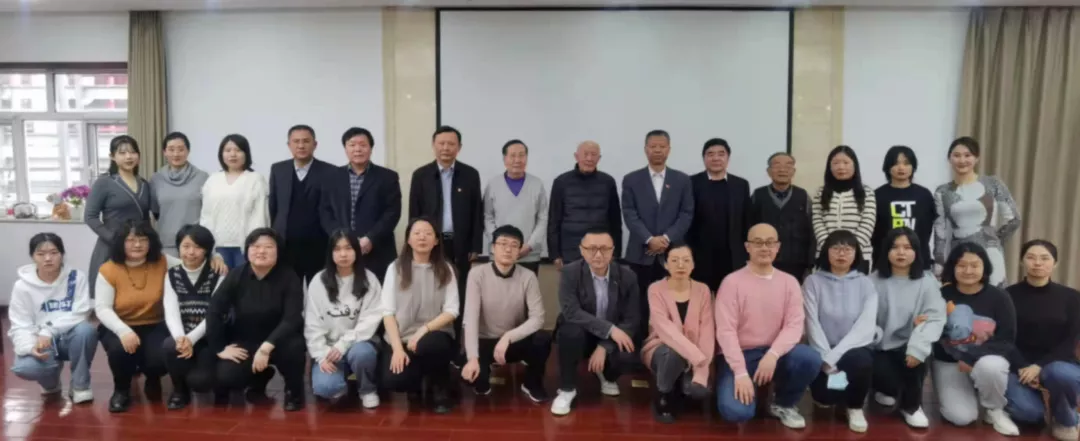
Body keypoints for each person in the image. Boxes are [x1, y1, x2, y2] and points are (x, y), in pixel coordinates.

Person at [714, 223, 820, 429]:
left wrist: (772, 355)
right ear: (747, 247)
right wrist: (740, 372)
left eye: (770, 243)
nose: (764, 248)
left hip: (776, 354)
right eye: (758, 243)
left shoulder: (789, 282)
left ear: (778, 247)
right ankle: (747, 388)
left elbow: (794, 326)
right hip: (741, 355)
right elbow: (726, 332)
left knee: (809, 358)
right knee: (736, 412)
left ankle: (783, 404)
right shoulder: (731, 282)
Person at [207, 228, 306, 411]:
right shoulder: (236, 274)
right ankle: (259, 377)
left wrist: (267, 346)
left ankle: (293, 392)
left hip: (280, 340)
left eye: (268, 247)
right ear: (247, 250)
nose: (261, 251)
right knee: (227, 376)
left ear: (278, 251)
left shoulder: (289, 277)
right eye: (255, 246)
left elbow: (292, 317)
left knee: (295, 348)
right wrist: (219, 348)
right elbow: (214, 310)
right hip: (246, 339)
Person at [931, 242, 1021, 436]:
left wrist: (971, 357)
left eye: (974, 265)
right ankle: (967, 394)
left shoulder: (999, 297)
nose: (968, 271)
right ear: (952, 267)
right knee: (962, 418)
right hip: (950, 362)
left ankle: (994, 409)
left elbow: (1006, 340)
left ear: (984, 267)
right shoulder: (940, 295)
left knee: (991, 367)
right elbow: (935, 336)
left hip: (985, 359)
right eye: (962, 265)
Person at [551, 228, 640, 416]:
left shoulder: (627, 276)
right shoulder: (570, 272)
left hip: (610, 337)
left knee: (628, 350)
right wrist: (610, 330)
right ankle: (567, 389)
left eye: (604, 249)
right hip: (581, 332)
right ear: (582, 250)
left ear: (613, 250)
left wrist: (604, 346)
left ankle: (608, 375)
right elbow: (571, 311)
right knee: (569, 332)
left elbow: (631, 318)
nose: (598, 255)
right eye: (592, 249)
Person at [408, 126, 482, 343]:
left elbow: (477, 213)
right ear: (433, 146)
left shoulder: (470, 174)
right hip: (431, 245)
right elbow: (414, 214)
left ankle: (456, 343)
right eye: (441, 143)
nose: (446, 148)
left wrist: (476, 246)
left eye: (451, 144)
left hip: (461, 245)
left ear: (459, 147)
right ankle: (429, 338)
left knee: (459, 293)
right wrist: (416, 243)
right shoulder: (421, 175)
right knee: (431, 291)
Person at [460, 225, 550, 401]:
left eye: (514, 245)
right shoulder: (477, 274)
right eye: (502, 243)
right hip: (485, 341)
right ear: (493, 248)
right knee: (475, 382)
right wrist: (472, 358)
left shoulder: (528, 276)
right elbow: (470, 318)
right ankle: (483, 367)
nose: (508, 249)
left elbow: (538, 318)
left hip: (513, 341)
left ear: (519, 251)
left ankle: (532, 383)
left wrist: (508, 337)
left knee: (543, 339)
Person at [379, 217, 460, 414]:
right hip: (402, 338)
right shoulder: (395, 268)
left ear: (436, 240)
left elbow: (452, 310)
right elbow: (387, 312)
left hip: (434, 335)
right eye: (416, 233)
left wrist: (424, 330)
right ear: (408, 239)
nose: (422, 237)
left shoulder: (446, 269)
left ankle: (439, 383)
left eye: (428, 233)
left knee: (431, 345)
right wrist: (397, 349)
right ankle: (416, 382)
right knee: (394, 380)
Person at [1002, 240, 1080, 440]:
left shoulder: (1072, 297)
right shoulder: (1007, 296)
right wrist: (1023, 366)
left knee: (1060, 374)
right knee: (1029, 414)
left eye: (1045, 258)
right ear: (1022, 261)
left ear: (1055, 263)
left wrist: (1039, 366)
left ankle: (1065, 419)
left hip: (1058, 363)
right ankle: (1029, 406)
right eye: (1031, 257)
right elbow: (1004, 338)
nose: (1037, 263)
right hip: (1019, 366)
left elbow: (1071, 340)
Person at [802, 230, 878, 433]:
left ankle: (855, 407)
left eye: (847, 249)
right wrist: (826, 360)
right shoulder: (813, 282)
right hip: (822, 352)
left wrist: (833, 358)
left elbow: (864, 328)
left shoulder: (865, 283)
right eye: (835, 248)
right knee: (825, 399)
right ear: (826, 252)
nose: (841, 253)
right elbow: (811, 324)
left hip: (850, 352)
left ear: (856, 254)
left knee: (861, 361)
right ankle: (838, 390)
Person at [870, 227, 946, 428]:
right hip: (880, 347)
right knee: (877, 371)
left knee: (919, 354)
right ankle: (888, 390)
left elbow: (935, 318)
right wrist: (876, 336)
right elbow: (865, 321)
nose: (901, 252)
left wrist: (916, 345)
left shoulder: (927, 282)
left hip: (910, 346)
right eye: (895, 247)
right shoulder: (873, 281)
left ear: (916, 251)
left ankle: (911, 407)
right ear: (886, 251)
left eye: (907, 247)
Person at [93, 221, 173, 413]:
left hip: (154, 323)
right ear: (120, 243)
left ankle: (153, 377)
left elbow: (192, 261)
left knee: (159, 358)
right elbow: (102, 308)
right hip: (119, 324)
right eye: (130, 240)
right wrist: (123, 331)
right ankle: (121, 390)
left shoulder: (163, 261)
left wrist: (215, 257)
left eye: (143, 239)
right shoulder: (108, 269)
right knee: (120, 351)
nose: (137, 245)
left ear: (151, 242)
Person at [8, 233, 96, 404]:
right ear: (32, 256)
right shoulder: (22, 287)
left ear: (62, 254)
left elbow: (81, 312)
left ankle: (80, 386)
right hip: (40, 341)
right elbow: (20, 324)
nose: (48, 258)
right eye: (41, 254)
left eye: (54, 253)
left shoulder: (76, 277)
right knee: (25, 367)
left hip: (70, 337)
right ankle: (50, 382)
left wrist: (49, 330)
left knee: (86, 331)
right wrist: (29, 347)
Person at [622, 130, 694, 338]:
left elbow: (686, 213)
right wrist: (649, 239)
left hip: (673, 253)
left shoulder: (682, 180)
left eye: (662, 146)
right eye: (653, 146)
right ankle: (639, 345)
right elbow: (629, 213)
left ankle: (670, 343)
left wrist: (666, 239)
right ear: (646, 149)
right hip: (640, 252)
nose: (657, 150)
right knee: (639, 303)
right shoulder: (631, 179)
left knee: (672, 302)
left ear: (669, 150)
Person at [305, 230, 384, 409]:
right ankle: (341, 379)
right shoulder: (319, 281)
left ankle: (367, 389)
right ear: (330, 253)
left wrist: (343, 344)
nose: (343, 254)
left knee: (363, 354)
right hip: (329, 349)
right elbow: (312, 323)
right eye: (337, 249)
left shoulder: (369, 279)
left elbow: (370, 320)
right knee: (326, 387)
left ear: (356, 251)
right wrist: (321, 355)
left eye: (348, 248)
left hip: (359, 343)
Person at [640, 243, 714, 424]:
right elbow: (665, 329)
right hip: (661, 348)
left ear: (693, 264)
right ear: (665, 264)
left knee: (696, 393)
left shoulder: (703, 290)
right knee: (673, 354)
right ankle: (663, 393)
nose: (681, 265)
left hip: (697, 355)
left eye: (686, 260)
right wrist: (695, 357)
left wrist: (701, 371)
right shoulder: (655, 289)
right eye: (674, 260)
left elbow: (707, 331)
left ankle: (682, 380)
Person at [933, 137, 1021, 287]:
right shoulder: (943, 191)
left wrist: (995, 240)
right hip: (959, 254)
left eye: (967, 155)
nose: (962, 160)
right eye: (956, 155)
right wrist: (939, 264)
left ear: (976, 158)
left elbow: (1014, 219)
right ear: (949, 159)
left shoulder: (993, 184)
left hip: (990, 252)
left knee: (994, 295)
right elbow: (939, 231)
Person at [320, 127, 402, 283]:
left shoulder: (388, 177)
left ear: (371, 148)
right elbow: (325, 211)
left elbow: (392, 212)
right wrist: (340, 238)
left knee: (379, 292)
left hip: (377, 249)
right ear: (345, 148)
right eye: (352, 145)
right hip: (341, 250)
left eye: (363, 145)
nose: (357, 149)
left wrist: (370, 238)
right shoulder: (331, 177)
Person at [161, 224, 224, 410]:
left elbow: (214, 313)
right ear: (178, 248)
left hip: (209, 336)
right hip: (184, 334)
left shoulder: (217, 274)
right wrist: (181, 338)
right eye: (186, 246)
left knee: (201, 382)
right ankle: (179, 390)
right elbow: (171, 310)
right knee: (169, 346)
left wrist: (191, 339)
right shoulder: (172, 274)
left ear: (207, 250)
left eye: (197, 247)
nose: (191, 252)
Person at [86, 135, 156, 297]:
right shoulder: (104, 182)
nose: (128, 157)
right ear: (112, 157)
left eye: (132, 152)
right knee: (109, 296)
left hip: (138, 248)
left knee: (137, 295)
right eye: (122, 153)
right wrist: (114, 239)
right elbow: (90, 217)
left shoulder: (144, 184)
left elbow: (146, 219)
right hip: (111, 246)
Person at [270, 125, 337, 284]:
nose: (301, 145)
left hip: (320, 244)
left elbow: (334, 208)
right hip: (287, 244)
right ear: (289, 145)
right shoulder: (278, 169)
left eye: (306, 141)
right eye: (296, 141)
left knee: (321, 287)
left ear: (315, 144)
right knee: (289, 289)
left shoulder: (331, 171)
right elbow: (273, 206)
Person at [688, 138, 751, 293]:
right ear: (704, 158)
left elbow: (747, 220)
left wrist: (748, 253)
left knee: (731, 297)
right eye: (710, 154)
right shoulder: (691, 183)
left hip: (732, 255)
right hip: (700, 255)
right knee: (702, 298)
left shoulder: (741, 184)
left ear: (728, 158)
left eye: (721, 154)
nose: (716, 158)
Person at [547, 140, 622, 268]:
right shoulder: (561, 182)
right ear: (576, 156)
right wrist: (555, 254)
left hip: (601, 249)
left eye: (593, 155)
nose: (589, 158)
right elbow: (554, 220)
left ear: (599, 158)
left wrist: (616, 252)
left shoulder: (608, 182)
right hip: (570, 250)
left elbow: (615, 220)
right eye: (585, 154)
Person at [200, 134, 270, 269]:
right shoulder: (213, 180)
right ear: (221, 154)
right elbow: (206, 215)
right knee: (221, 281)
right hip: (217, 246)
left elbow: (260, 216)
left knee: (245, 280)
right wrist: (208, 247)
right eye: (227, 150)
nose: (232, 154)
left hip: (245, 246)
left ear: (246, 153)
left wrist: (255, 245)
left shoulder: (255, 179)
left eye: (238, 150)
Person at [482, 140, 548, 274]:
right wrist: (499, 244)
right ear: (504, 159)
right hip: (499, 255)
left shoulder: (537, 184)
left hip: (529, 255)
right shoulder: (493, 184)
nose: (517, 160)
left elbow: (543, 218)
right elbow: (487, 217)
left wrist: (529, 246)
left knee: (527, 287)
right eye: (512, 156)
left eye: (522, 155)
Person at [750, 152, 814, 283]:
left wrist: (810, 263)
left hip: (797, 264)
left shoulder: (803, 196)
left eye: (788, 166)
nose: (782, 170)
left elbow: (812, 232)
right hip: (764, 261)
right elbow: (748, 228)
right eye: (777, 165)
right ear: (769, 171)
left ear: (793, 171)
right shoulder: (758, 195)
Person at [812, 145, 876, 271]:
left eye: (846, 163)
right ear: (829, 167)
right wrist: (831, 249)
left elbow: (868, 224)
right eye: (836, 163)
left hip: (860, 255)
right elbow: (817, 222)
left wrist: (850, 250)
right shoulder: (820, 193)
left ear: (854, 166)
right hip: (826, 255)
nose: (841, 167)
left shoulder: (867, 193)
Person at [870, 146, 935, 269]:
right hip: (884, 262)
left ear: (913, 166)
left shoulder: (924, 195)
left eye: (906, 163)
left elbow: (927, 230)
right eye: (896, 163)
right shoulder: (877, 195)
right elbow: (874, 233)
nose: (901, 168)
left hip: (919, 261)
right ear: (887, 166)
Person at [151, 132, 209, 256]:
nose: (176, 154)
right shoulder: (156, 179)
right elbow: (156, 212)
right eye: (171, 149)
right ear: (164, 152)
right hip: (166, 244)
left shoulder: (202, 177)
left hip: (195, 244)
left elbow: (208, 211)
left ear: (188, 151)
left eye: (181, 149)